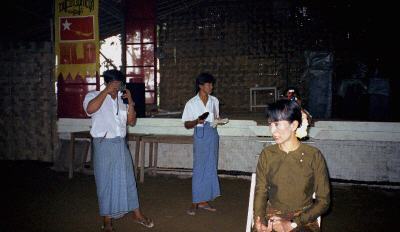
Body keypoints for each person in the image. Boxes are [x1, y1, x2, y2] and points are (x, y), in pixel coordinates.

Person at [83, 69, 154, 231]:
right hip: (103, 144)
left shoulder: (122, 100)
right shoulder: (93, 95)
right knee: (105, 181)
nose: (118, 86)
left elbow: (132, 121)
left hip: (120, 144)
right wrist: (105, 92)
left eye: (120, 83)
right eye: (115, 83)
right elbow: (90, 110)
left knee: (128, 179)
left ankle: (137, 214)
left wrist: (130, 102)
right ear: (108, 82)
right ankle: (107, 219)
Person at [254, 99, 330, 232]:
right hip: (273, 214)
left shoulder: (313, 156)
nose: (272, 130)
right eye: (270, 124)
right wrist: (259, 220)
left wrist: (293, 223)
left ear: (294, 125)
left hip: (303, 218)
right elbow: (261, 192)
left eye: (277, 124)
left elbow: (323, 201)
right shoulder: (267, 154)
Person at [182, 72, 221, 216]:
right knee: (199, 167)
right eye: (208, 84)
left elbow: (215, 119)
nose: (211, 87)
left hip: (212, 133)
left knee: (210, 166)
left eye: (212, 84)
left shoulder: (214, 101)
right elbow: (186, 124)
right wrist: (197, 121)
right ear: (200, 86)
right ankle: (195, 201)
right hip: (200, 133)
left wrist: (218, 120)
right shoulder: (191, 103)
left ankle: (203, 200)